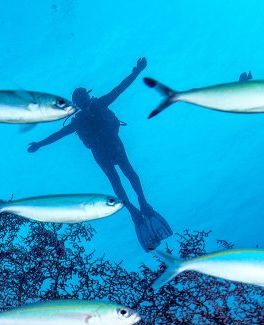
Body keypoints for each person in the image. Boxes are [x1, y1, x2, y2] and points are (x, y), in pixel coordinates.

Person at [28, 57, 173, 250]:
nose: (83, 101)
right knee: (119, 179)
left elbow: (119, 89)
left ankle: (141, 204)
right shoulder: (79, 120)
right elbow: (59, 134)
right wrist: (40, 144)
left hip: (111, 145)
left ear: (86, 98)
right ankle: (133, 210)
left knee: (127, 174)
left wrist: (137, 72)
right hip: (102, 150)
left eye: (83, 98)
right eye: (80, 100)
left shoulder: (96, 107)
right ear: (78, 103)